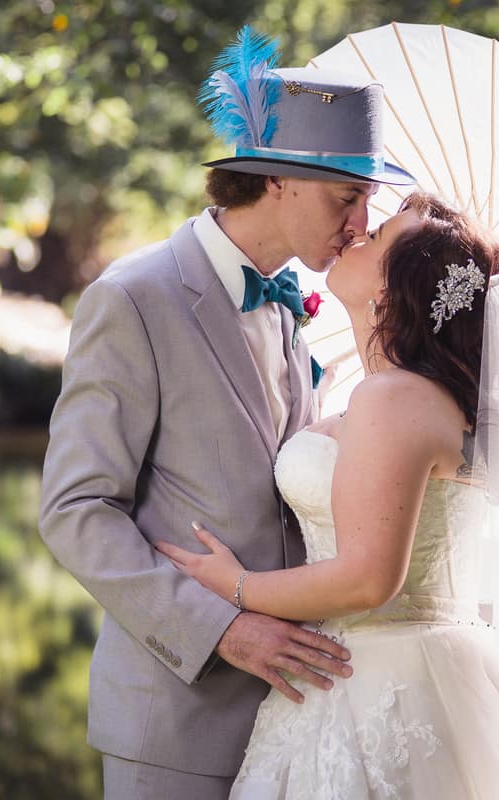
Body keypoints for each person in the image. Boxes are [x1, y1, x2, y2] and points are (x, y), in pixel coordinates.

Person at [38, 27, 415, 799]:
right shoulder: (132, 299)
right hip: (174, 722)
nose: (360, 222)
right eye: (350, 197)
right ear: (277, 180)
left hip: (300, 726)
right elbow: (75, 510)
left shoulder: (291, 307)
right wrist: (225, 630)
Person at [157, 190, 499, 798]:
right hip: (374, 672)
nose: (357, 230)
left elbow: (369, 580)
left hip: (378, 686)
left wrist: (238, 588)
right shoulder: (408, 396)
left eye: (380, 235)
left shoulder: (393, 397)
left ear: (394, 291)